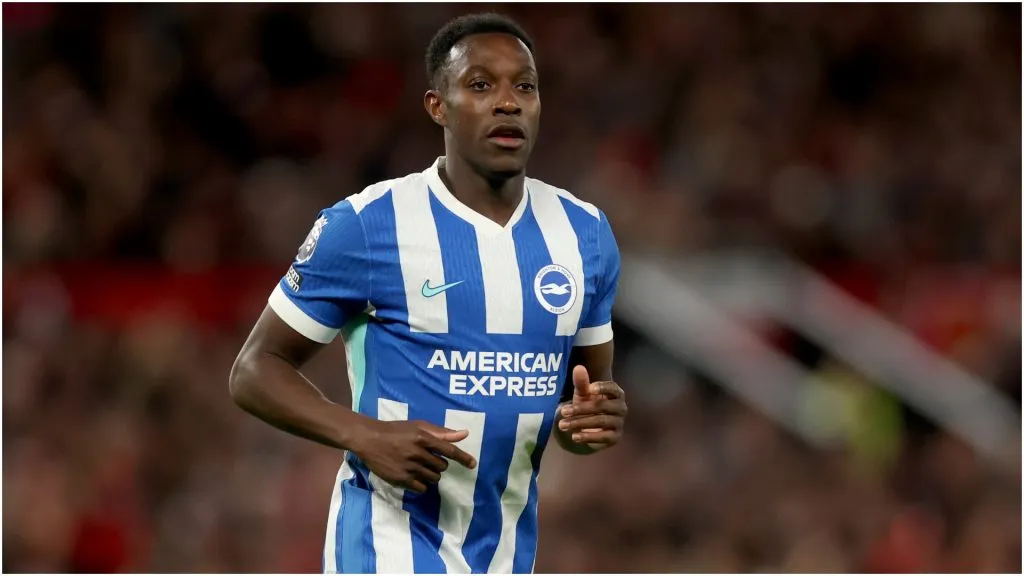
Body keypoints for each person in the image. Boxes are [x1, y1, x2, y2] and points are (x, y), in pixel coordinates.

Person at [229, 12, 626, 574]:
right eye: (481, 84)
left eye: (525, 86)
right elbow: (252, 369)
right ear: (437, 105)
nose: (508, 101)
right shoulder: (368, 224)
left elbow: (580, 415)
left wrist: (593, 424)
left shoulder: (585, 235)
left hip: (508, 555)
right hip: (384, 548)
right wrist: (364, 434)